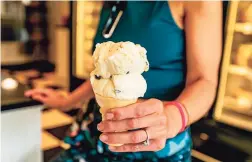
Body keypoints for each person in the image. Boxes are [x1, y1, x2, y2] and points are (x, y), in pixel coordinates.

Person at [25, 1, 222, 161]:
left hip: (155, 143)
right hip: (96, 136)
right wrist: (67, 101)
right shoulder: (112, 3)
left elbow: (204, 81)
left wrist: (172, 118)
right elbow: (105, 75)